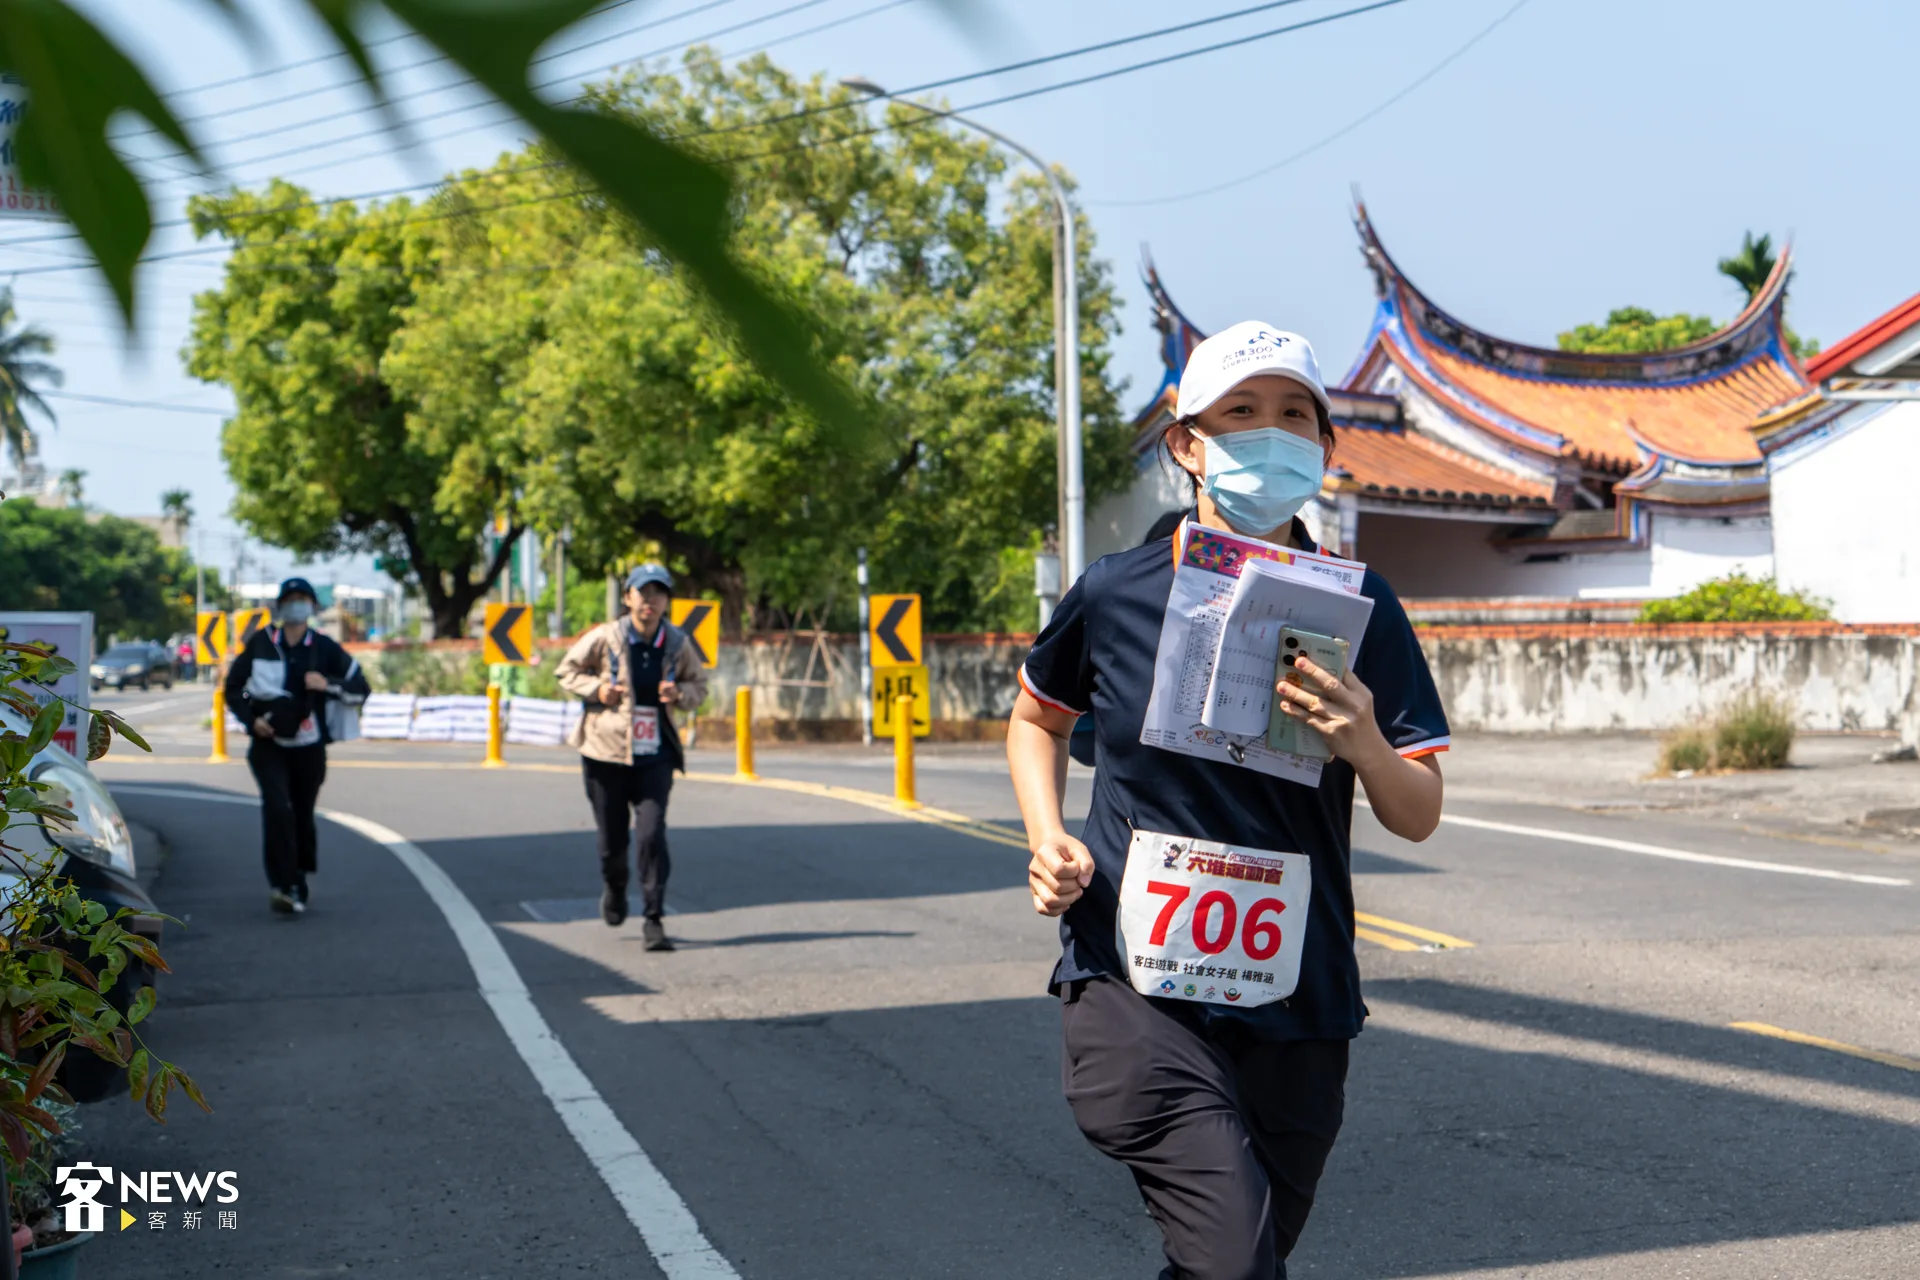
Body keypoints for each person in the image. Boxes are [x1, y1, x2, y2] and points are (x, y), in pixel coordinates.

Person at [1007, 322, 1450, 1279]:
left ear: (1326, 451)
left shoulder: (1363, 607)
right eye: (1241, 413)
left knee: (1232, 1264)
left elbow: (1417, 810)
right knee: (1238, 1264)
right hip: (1136, 985)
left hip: (1299, 996)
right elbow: (1037, 718)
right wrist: (1048, 839)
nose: (1271, 433)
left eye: (1297, 415)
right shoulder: (1116, 592)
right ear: (1187, 442)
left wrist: (1365, 739)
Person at [555, 563, 709, 949]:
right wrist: (598, 690)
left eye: (659, 593)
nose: (650, 601)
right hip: (605, 753)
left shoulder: (676, 642)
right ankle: (615, 884)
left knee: (651, 834)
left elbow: (699, 685)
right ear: (628, 598)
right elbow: (566, 671)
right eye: (643, 593)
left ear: (666, 601)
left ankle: (654, 918)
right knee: (612, 841)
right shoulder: (606, 638)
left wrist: (680, 695)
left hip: (655, 754)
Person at [224, 578, 371, 916]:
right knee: (277, 809)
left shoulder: (323, 647)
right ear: (279, 606)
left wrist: (327, 684)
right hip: (268, 745)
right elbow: (233, 688)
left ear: (313, 607)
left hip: (309, 748)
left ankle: (299, 878)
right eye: (290, 599)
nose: (296, 605)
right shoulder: (261, 643)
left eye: (302, 599)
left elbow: (361, 687)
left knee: (302, 814)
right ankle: (282, 884)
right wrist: (251, 720)